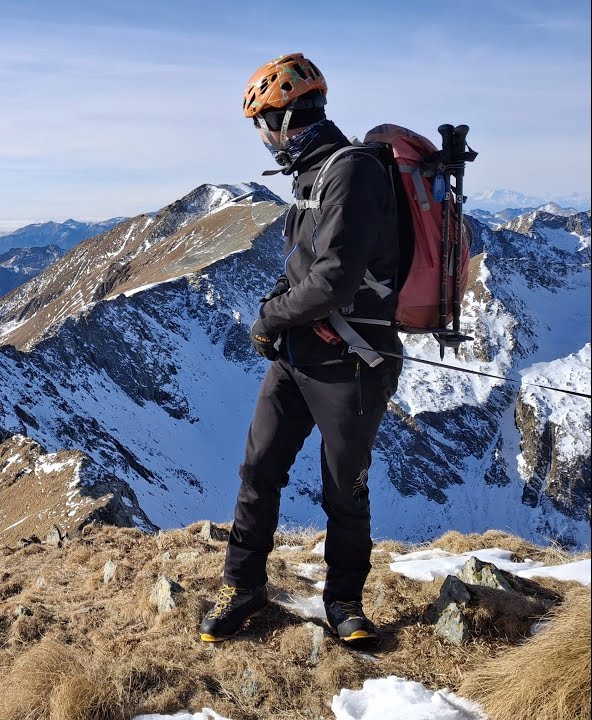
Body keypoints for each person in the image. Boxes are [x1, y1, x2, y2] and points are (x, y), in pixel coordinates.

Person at [198, 53, 404, 644]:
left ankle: (344, 604)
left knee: (345, 488)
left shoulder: (352, 172)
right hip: (300, 354)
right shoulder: (313, 174)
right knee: (259, 469)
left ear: (284, 120)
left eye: (262, 125)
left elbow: (334, 279)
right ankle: (243, 587)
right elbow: (304, 268)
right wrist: (279, 308)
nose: (262, 138)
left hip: (352, 361)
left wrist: (268, 319)